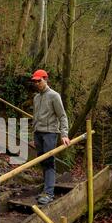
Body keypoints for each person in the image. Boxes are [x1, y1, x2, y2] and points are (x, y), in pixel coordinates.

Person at [31, 69, 70, 205]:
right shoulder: (36, 98)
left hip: (50, 133)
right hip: (38, 133)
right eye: (34, 81)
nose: (37, 83)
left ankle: (49, 193)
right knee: (42, 161)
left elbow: (62, 116)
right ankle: (45, 190)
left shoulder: (54, 96)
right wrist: (33, 133)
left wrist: (64, 134)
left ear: (45, 79)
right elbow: (35, 117)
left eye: (39, 81)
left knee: (49, 162)